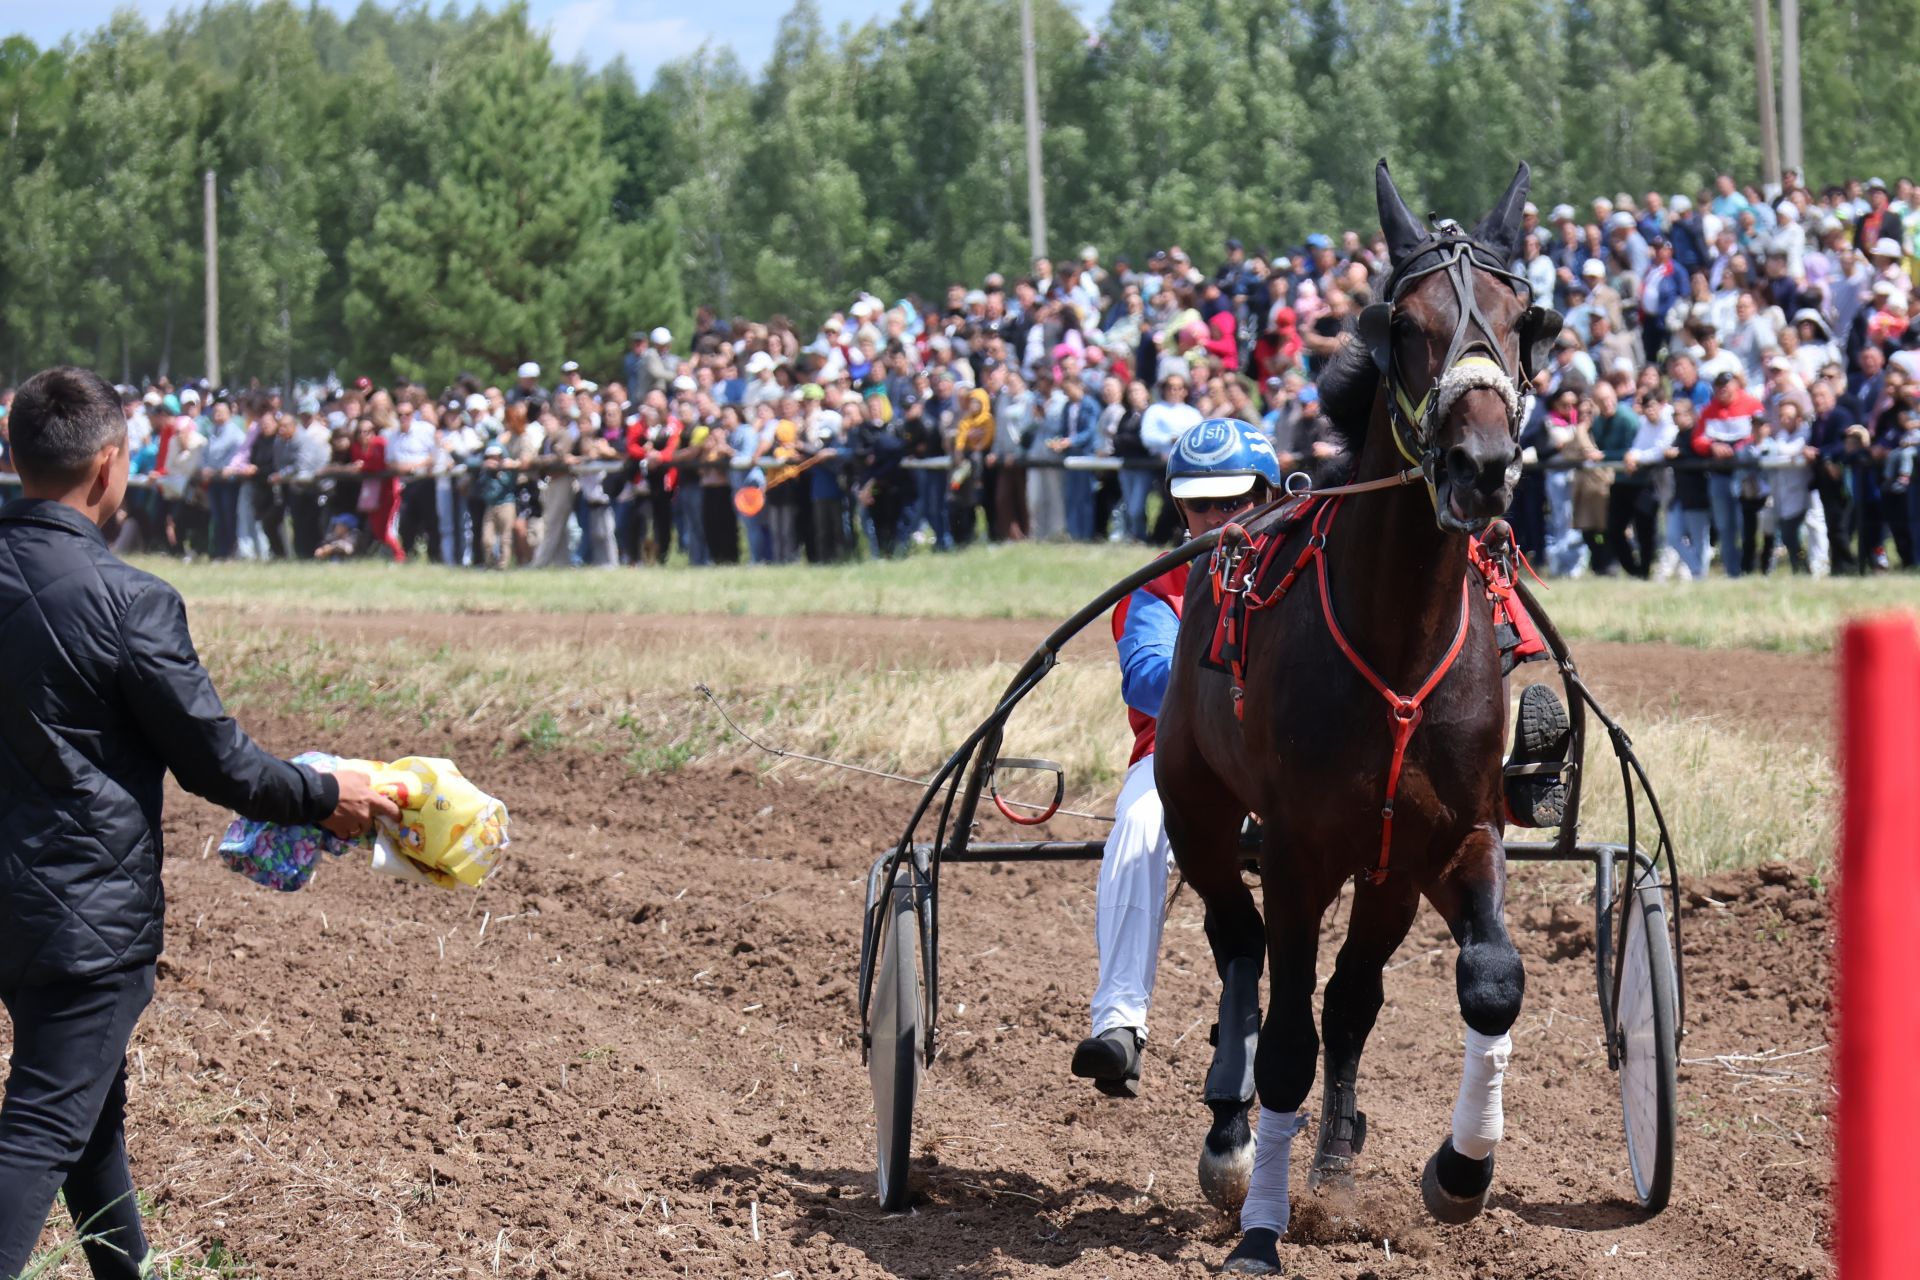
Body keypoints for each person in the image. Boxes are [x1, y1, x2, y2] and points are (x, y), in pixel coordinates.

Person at [0, 367, 397, 1280]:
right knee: (44, 1126)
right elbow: (217, 762)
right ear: (111, 466)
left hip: (17, 907)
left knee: (87, 1114)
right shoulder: (129, 599)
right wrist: (324, 794)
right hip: (82, 916)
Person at [1071, 419, 1281, 1098]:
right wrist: (1248, 690)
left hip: (1292, 765)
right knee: (1135, 828)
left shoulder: (1311, 583)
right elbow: (1146, 678)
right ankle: (1119, 1025)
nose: (1219, 518)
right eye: (1202, 503)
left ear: (1271, 492)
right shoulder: (1158, 590)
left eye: (1236, 500)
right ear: (1179, 505)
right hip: (1181, 761)